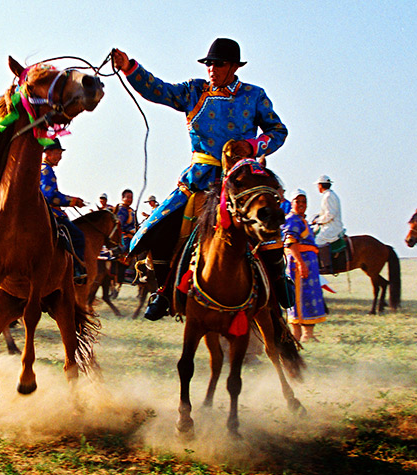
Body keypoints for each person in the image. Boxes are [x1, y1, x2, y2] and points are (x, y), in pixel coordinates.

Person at [112, 38, 289, 319]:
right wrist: (129, 67)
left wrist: (254, 147)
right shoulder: (194, 91)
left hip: (240, 179)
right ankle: (164, 292)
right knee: (159, 228)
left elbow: (279, 131)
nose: (212, 68)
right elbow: (158, 90)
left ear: (233, 66)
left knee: (267, 226)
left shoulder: (255, 95)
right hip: (200, 178)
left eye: (218, 64)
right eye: (209, 63)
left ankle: (280, 286)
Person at [39, 139, 87, 283]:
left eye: (60, 153)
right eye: (57, 153)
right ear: (47, 153)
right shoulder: (46, 170)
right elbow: (50, 196)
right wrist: (73, 201)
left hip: (43, 211)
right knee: (78, 237)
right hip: (50, 213)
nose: (60, 157)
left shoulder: (39, 168)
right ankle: (76, 271)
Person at [282, 189, 326, 342]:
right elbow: (291, 242)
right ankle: (299, 334)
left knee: (310, 295)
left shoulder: (302, 220)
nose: (301, 204)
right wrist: (301, 263)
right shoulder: (292, 220)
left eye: (303, 202)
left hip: (308, 265)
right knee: (300, 297)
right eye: (297, 201)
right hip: (298, 265)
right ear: (292, 203)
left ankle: (308, 334)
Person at [311, 175, 343, 271]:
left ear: (321, 185)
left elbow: (330, 214)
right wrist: (317, 216)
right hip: (328, 224)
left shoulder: (328, 196)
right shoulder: (329, 195)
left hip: (332, 226)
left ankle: (326, 265)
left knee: (318, 240)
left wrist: (318, 220)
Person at [113, 189, 138, 285]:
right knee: (128, 249)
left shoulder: (131, 211)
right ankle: (127, 273)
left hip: (132, 235)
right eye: (127, 197)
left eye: (131, 197)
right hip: (123, 236)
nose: (129, 199)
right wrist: (131, 231)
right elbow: (120, 225)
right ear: (122, 198)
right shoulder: (121, 210)